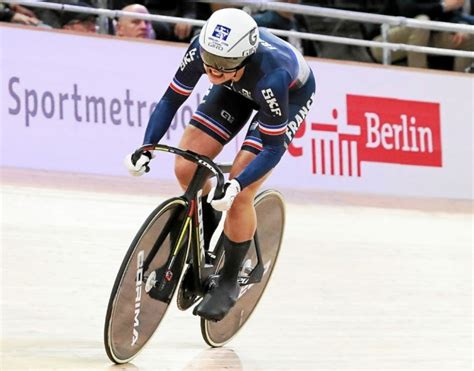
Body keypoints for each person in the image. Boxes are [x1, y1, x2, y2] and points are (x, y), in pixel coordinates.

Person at [124, 8, 316, 321]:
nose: (212, 70)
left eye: (223, 64)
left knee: (241, 192)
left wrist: (237, 184)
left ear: (243, 56)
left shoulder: (273, 75)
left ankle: (227, 281)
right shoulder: (205, 50)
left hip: (286, 95)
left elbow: (272, 147)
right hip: (235, 87)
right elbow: (171, 99)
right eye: (209, 60)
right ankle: (203, 226)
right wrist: (147, 147)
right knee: (186, 166)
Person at [370, 0, 473, 71]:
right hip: (384, 41)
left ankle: (462, 82)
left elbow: (450, 14)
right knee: (422, 21)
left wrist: (459, 26)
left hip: (424, 37)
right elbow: (408, 9)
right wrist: (443, 6)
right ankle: (420, 75)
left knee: (468, 34)